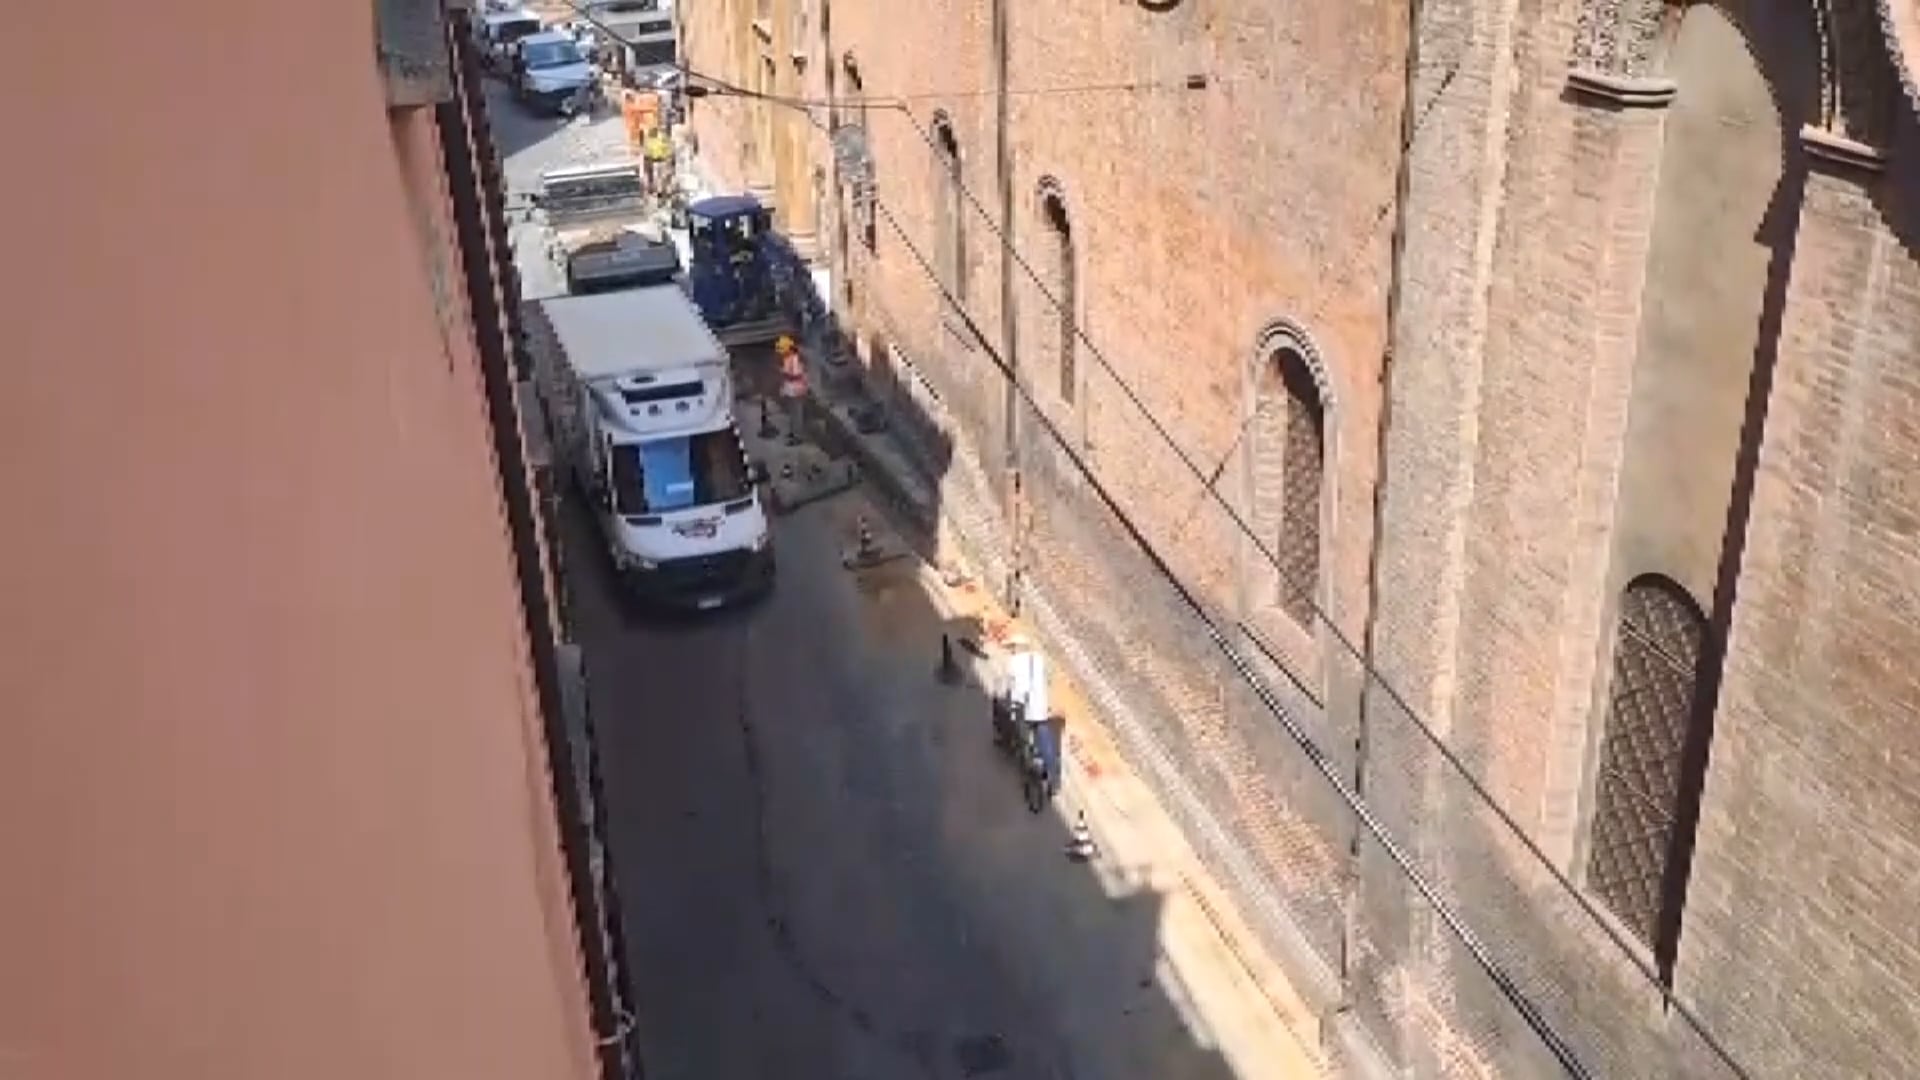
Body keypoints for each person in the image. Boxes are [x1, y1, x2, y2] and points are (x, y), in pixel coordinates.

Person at [1002, 634, 1060, 793]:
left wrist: (1014, 706)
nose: (1011, 650)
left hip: (1024, 707)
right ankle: (1053, 779)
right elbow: (1049, 679)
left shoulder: (1014, 662)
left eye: (1012, 647)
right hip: (1040, 706)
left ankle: (1028, 772)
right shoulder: (1038, 659)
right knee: (1045, 741)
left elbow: (1017, 688)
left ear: (1016, 647)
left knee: (1023, 737)